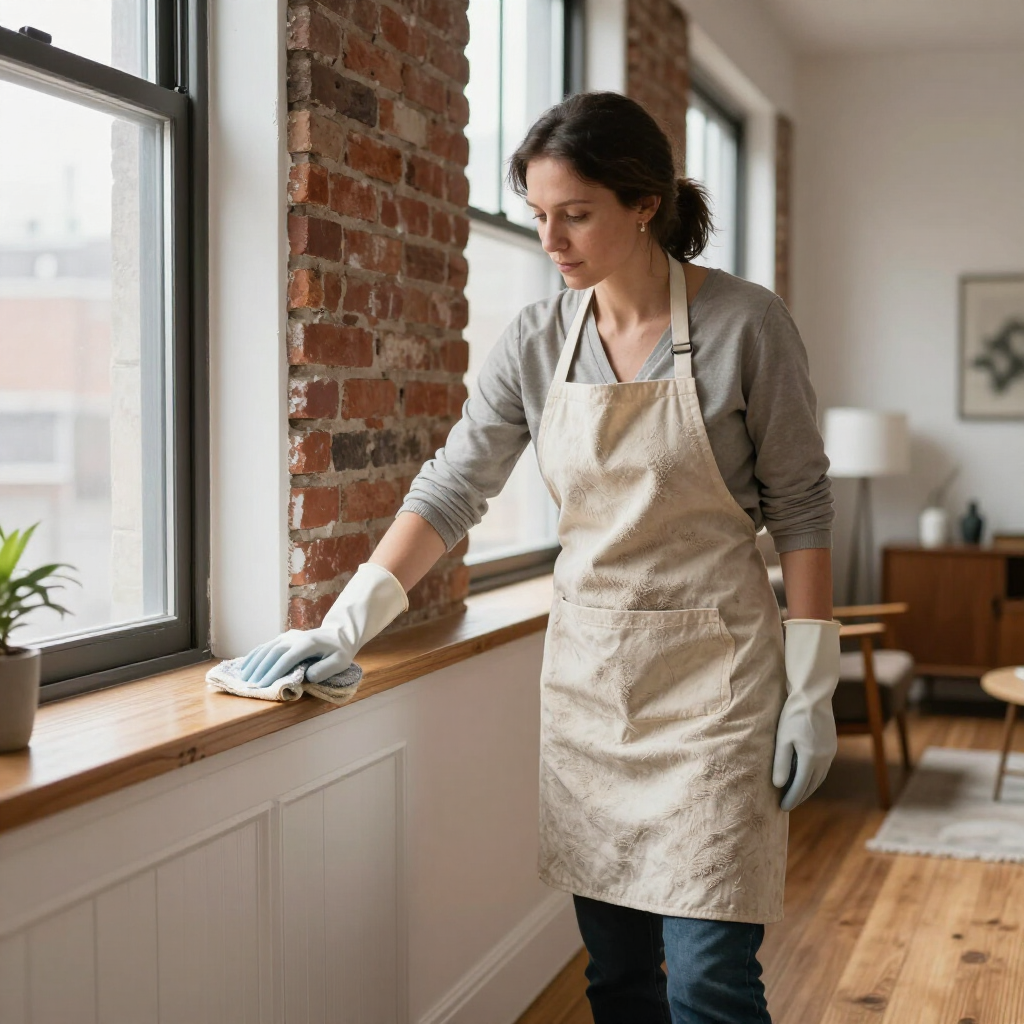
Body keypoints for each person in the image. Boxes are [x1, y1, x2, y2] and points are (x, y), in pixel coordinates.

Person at [240, 91, 840, 1024]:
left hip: (719, 695)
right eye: (538, 216)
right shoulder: (536, 342)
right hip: (593, 695)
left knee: (715, 983)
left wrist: (812, 686)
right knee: (617, 980)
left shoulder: (745, 326)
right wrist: (345, 623)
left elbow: (802, 508)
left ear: (643, 205)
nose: (551, 240)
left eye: (575, 214)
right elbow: (452, 488)